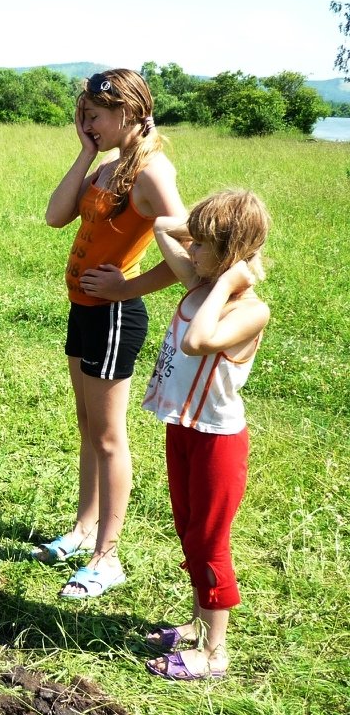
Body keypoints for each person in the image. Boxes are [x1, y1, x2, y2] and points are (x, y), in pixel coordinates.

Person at [40, 69, 185, 598]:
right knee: (87, 425)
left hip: (114, 316)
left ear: (126, 113)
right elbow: (57, 216)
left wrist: (129, 287)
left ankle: (108, 557)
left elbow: (188, 248)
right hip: (84, 310)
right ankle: (83, 530)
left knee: (107, 435)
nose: (87, 123)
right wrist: (84, 150)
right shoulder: (108, 164)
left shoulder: (152, 172)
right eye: (83, 116)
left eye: (94, 117)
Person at [142, 190, 271, 680]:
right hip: (186, 429)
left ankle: (214, 654)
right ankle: (198, 627)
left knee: (209, 540)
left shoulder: (249, 309)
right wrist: (204, 233)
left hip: (219, 441)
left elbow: (197, 341)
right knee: (188, 530)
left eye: (200, 244)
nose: (189, 250)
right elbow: (161, 227)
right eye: (192, 242)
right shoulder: (199, 280)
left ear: (228, 254)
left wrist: (233, 278)